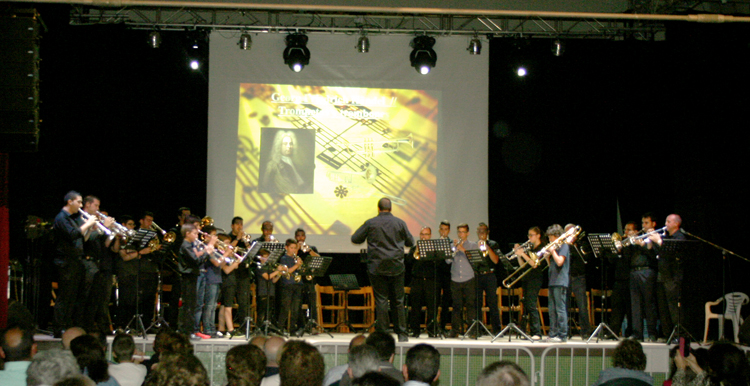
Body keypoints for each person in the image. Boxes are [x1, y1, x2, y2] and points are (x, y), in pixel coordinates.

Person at [351, 197, 415, 342]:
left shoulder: (371, 222)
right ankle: (402, 335)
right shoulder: (400, 222)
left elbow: (355, 239)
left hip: (377, 267)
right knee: (398, 301)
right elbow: (411, 242)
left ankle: (384, 335)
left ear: (378, 208)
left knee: (381, 300)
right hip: (396, 266)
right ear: (391, 208)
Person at [52, 191, 103, 334]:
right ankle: (58, 327)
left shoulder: (71, 218)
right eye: (79, 202)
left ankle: (67, 325)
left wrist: (91, 228)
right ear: (70, 202)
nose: (81, 205)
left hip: (75, 261)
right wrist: (88, 224)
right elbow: (72, 234)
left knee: (72, 296)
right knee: (65, 295)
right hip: (65, 261)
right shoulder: (61, 218)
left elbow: (82, 238)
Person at [177, 223, 216, 340]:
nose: (196, 235)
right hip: (188, 277)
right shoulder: (185, 245)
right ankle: (187, 332)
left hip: (192, 276)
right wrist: (208, 250)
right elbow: (196, 260)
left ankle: (189, 331)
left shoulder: (189, 244)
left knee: (192, 305)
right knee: (189, 305)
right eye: (194, 233)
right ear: (187, 233)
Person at [652, 214, 686, 342]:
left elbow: (672, 254)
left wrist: (659, 241)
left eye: (668, 221)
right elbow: (660, 253)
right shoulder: (666, 237)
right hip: (662, 276)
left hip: (672, 278)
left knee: (673, 309)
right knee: (663, 308)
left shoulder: (680, 237)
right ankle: (668, 335)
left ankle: (679, 336)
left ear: (676, 224)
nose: (665, 223)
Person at [625, 218, 658, 342]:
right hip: (634, 272)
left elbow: (653, 256)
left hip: (647, 271)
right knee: (635, 305)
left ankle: (652, 333)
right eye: (643, 223)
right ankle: (637, 334)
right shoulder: (635, 240)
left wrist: (642, 245)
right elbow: (627, 259)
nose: (644, 225)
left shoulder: (651, 237)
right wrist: (629, 244)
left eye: (646, 223)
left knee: (649, 304)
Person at [445, 223, 478, 338]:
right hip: (455, 278)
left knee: (470, 305)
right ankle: (455, 330)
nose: (461, 234)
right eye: (459, 232)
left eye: (463, 232)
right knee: (456, 306)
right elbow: (447, 261)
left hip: (468, 278)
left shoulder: (473, 245)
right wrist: (453, 250)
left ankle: (472, 330)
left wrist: (463, 250)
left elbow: (474, 260)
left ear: (467, 233)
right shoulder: (453, 245)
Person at [513, 226, 545, 340]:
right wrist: (518, 255)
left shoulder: (542, 248)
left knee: (531, 304)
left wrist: (523, 254)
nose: (529, 237)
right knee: (527, 304)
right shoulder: (530, 248)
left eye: (531, 235)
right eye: (528, 235)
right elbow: (523, 266)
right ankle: (529, 331)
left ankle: (537, 332)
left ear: (538, 235)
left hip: (535, 278)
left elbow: (534, 264)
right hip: (527, 278)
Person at [408, 227, 440, 338]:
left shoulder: (435, 249)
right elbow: (408, 262)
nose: (423, 236)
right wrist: (415, 251)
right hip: (417, 280)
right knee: (415, 307)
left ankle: (431, 330)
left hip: (431, 281)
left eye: (426, 234)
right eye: (422, 234)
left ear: (430, 235)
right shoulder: (414, 248)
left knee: (432, 307)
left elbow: (438, 265)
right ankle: (415, 330)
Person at [565, 223, 592, 339]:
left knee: (582, 306)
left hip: (579, 277)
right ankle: (564, 330)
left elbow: (586, 258)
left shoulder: (582, 244)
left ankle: (585, 331)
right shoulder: (563, 245)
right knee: (564, 305)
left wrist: (573, 246)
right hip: (566, 277)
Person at [261, 130, 310, 194]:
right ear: (279, 146)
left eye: (290, 144)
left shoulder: (294, 162)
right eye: (285, 144)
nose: (289, 146)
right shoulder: (272, 165)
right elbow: (265, 186)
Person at [545, 224, 570, 343]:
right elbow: (553, 266)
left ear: (557, 236)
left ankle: (562, 335)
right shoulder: (556, 247)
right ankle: (553, 333)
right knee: (552, 310)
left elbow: (560, 262)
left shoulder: (564, 246)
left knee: (560, 310)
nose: (549, 240)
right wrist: (546, 258)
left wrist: (553, 251)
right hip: (553, 281)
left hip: (560, 282)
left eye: (551, 238)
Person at [476, 222, 502, 334]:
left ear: (487, 232)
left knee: (492, 302)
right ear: (477, 233)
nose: (482, 233)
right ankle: (478, 329)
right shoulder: (474, 245)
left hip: (490, 275)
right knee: (477, 302)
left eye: (484, 231)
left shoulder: (493, 244)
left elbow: (496, 260)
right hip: (478, 275)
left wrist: (487, 246)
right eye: (480, 231)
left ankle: (496, 329)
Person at [276, 239, 305, 334]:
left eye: (295, 248)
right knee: (285, 307)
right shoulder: (284, 258)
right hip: (287, 284)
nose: (293, 250)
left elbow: (301, 271)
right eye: (291, 248)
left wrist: (301, 266)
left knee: (295, 309)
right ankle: (280, 328)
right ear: (286, 248)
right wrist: (297, 265)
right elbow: (286, 272)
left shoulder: (297, 258)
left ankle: (292, 329)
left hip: (298, 284)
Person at [295, 228, 320, 334]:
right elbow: (290, 258)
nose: (300, 238)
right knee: (297, 303)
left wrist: (309, 250)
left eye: (302, 236)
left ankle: (313, 326)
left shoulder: (311, 248)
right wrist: (297, 249)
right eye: (298, 236)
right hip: (297, 279)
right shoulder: (293, 248)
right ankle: (300, 325)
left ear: (305, 237)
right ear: (295, 237)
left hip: (309, 279)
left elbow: (319, 259)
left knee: (312, 303)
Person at [255, 249, 283, 330]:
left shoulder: (269, 268)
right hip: (263, 292)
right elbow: (267, 277)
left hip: (271, 292)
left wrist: (279, 274)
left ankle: (267, 329)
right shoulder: (259, 266)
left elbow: (273, 280)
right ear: (260, 258)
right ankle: (259, 329)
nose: (268, 259)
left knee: (269, 313)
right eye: (266, 257)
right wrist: (277, 270)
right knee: (261, 313)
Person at [437, 220, 453, 333]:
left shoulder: (452, 243)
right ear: (439, 230)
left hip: (448, 275)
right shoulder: (435, 242)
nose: (443, 232)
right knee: (435, 300)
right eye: (442, 229)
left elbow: (450, 260)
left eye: (446, 229)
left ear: (449, 231)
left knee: (446, 302)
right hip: (437, 274)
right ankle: (433, 326)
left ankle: (443, 326)